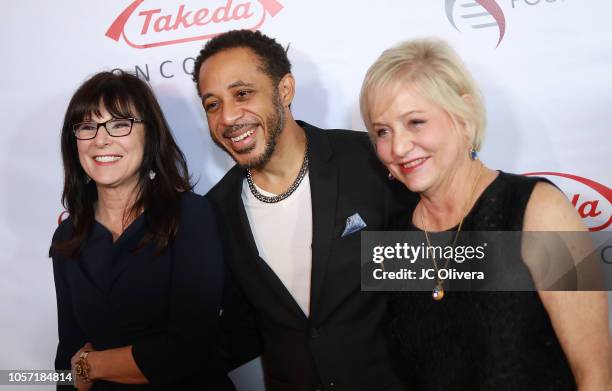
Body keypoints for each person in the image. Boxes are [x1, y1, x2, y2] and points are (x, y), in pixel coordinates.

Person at [359, 38, 611, 390]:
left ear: (463, 115)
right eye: (382, 131)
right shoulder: (392, 241)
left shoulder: (540, 210)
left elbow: (596, 375)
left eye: (415, 122)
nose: (398, 147)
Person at [193, 30, 416, 391]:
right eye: (212, 104)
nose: (228, 117)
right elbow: (237, 330)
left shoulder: (367, 160)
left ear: (284, 90)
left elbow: (440, 274)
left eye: (243, 94)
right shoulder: (215, 210)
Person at [50, 71, 234, 391]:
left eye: (120, 124)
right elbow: (66, 355)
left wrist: (89, 365)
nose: (100, 139)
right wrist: (74, 371)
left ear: (149, 135)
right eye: (87, 126)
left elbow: (187, 351)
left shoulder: (191, 216)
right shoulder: (67, 236)